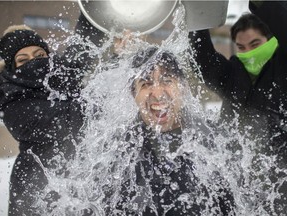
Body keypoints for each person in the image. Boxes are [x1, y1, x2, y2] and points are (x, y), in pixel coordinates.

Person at [101, 47, 236, 215]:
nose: (157, 94)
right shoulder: (118, 150)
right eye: (146, 83)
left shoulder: (213, 139)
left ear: (183, 87)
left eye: (167, 80)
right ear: (133, 93)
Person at [188, 1, 287, 214]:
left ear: (274, 41)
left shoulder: (283, 69)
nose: (248, 53)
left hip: (279, 189)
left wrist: (261, 3)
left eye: (255, 44)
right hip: (236, 187)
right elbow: (204, 62)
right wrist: (196, 11)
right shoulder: (234, 74)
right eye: (241, 47)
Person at [0, 25, 85, 216]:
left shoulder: (65, 78)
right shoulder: (11, 101)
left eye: (39, 55)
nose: (34, 62)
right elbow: (71, 120)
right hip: (35, 194)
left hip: (80, 188)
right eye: (23, 60)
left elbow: (87, 33)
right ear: (12, 68)